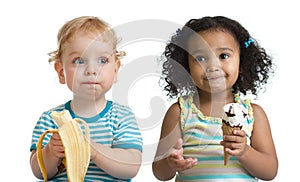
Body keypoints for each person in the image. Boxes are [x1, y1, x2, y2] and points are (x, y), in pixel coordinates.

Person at [152, 16, 278, 181]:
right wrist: (170, 163)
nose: (213, 66)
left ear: (242, 63)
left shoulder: (253, 114)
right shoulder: (180, 112)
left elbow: (270, 171)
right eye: (201, 58)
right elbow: (159, 173)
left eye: (224, 56)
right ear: (186, 66)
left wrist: (245, 151)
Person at [29, 16, 143, 181]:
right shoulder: (50, 119)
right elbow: (38, 172)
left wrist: (92, 150)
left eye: (102, 60)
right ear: (61, 72)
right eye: (79, 61)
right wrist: (51, 153)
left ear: (116, 69)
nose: (91, 70)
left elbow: (131, 167)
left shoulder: (122, 117)